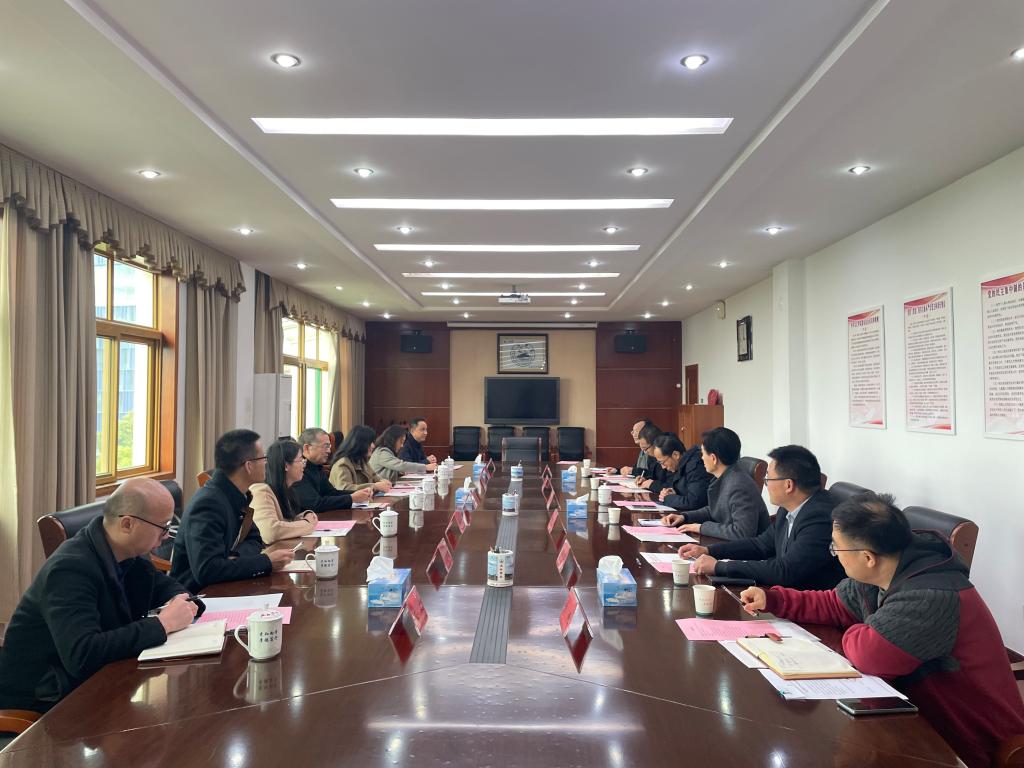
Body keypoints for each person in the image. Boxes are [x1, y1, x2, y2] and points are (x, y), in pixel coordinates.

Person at [740, 493, 1024, 768]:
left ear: (867, 557)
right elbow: (834, 604)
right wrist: (774, 599)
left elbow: (869, 655)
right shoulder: (886, 569)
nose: (834, 554)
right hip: (914, 718)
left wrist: (859, 630)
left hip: (968, 744)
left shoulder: (931, 596)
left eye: (836, 548)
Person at [0, 479, 199, 712]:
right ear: (127, 524)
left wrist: (181, 602)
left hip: (98, 681)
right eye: (163, 527)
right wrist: (163, 624)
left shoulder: (130, 553)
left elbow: (164, 586)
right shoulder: (69, 569)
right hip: (46, 700)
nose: (166, 536)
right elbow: (83, 654)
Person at [679, 444, 843, 588]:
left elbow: (786, 571)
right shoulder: (788, 508)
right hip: (784, 592)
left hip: (809, 602)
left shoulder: (820, 517)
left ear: (788, 485)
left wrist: (719, 567)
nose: (766, 484)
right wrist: (709, 550)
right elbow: (761, 545)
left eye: (768, 478)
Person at [171, 429, 294, 593]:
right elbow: (207, 570)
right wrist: (266, 562)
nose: (266, 463)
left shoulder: (238, 494)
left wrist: (234, 557)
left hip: (229, 583)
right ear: (249, 466)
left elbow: (255, 539)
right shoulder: (208, 504)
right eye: (263, 458)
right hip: (200, 595)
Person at [661, 427, 768, 540]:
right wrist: (684, 517)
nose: (702, 458)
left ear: (713, 458)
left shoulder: (739, 485)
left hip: (748, 549)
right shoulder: (726, 476)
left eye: (703, 454)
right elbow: (714, 510)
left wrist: (701, 528)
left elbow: (742, 533)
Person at [251, 438, 319, 544]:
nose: (304, 465)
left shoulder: (286, 489)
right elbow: (270, 532)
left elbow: (285, 521)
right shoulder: (261, 491)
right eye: (301, 460)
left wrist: (304, 516)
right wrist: (308, 523)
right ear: (286, 465)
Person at [293, 427, 374, 513]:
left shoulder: (317, 467)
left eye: (329, 446)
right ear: (307, 448)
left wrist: (358, 493)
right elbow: (316, 504)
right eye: (325, 446)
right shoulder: (298, 470)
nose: (329, 451)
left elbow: (331, 493)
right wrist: (352, 498)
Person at [649, 433, 712, 512]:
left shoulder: (695, 466)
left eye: (662, 462)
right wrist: (672, 491)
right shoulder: (680, 464)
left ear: (676, 455)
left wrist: (668, 498)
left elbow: (694, 502)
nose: (663, 467)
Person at [329, 425, 393, 493]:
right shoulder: (342, 464)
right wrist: (374, 486)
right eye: (370, 442)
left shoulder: (362, 460)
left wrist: (382, 481)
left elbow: (374, 477)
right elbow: (344, 489)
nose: (373, 446)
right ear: (360, 443)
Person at [370, 424, 438, 482]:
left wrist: (399, 472)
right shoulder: (382, 452)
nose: (402, 445)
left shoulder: (387, 451)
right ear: (393, 440)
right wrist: (425, 467)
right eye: (401, 442)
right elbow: (401, 465)